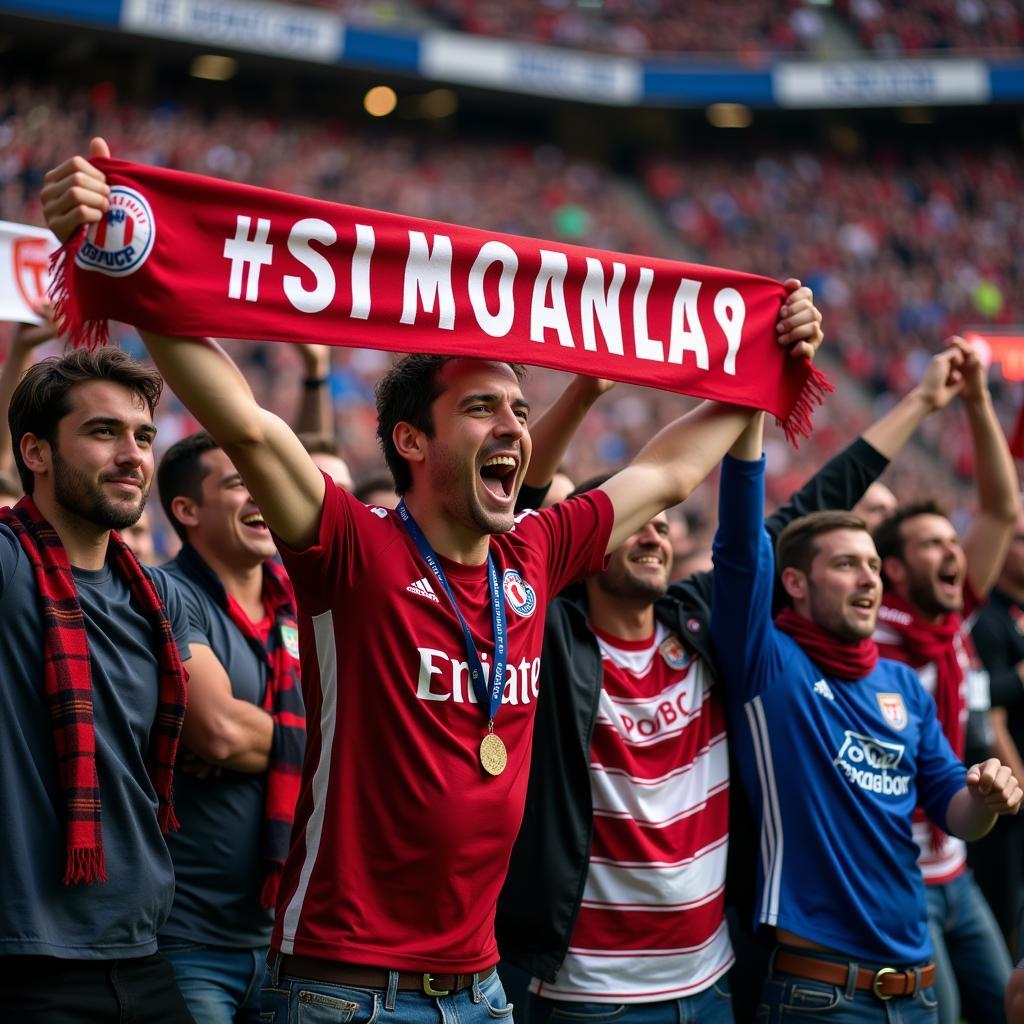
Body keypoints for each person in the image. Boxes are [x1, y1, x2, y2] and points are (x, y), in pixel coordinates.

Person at [42, 137, 822, 1024]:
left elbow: (671, 473)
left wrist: (764, 364)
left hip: (483, 989)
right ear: (411, 441)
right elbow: (249, 427)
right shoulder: (349, 546)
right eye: (482, 408)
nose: (514, 428)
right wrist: (121, 254)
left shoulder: (536, 551)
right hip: (349, 988)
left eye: (521, 410)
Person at [497, 348, 979, 1024]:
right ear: (582, 548)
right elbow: (515, 522)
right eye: (635, 521)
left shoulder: (701, 624)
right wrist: (581, 396)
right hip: (588, 995)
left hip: (711, 986)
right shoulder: (548, 640)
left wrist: (922, 402)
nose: (655, 533)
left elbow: (812, 508)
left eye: (664, 524)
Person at [709, 409, 1021, 1023]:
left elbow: (954, 810)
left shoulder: (903, 683)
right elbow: (742, 549)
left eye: (875, 565)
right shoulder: (770, 663)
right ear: (794, 583)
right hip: (820, 996)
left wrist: (984, 797)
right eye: (846, 564)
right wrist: (749, 414)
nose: (869, 578)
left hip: (918, 989)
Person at [0, 347, 193, 1024]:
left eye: (143, 435)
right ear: (36, 451)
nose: (133, 454)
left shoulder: (161, 600)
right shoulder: (8, 567)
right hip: (28, 963)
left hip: (144, 952)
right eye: (102, 431)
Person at [873, 338, 1020, 1024]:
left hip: (955, 863)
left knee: (1005, 1002)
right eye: (933, 544)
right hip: (899, 875)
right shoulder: (868, 642)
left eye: (951, 543)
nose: (955, 553)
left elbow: (998, 509)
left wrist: (978, 401)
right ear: (894, 572)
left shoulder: (953, 620)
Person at [154, 431, 305, 1023]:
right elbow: (217, 731)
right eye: (240, 483)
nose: (262, 496)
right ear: (187, 510)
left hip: (287, 944)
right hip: (189, 942)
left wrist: (262, 736)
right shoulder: (169, 593)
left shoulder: (298, 606)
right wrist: (317, 740)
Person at [969, 508, 1024, 952]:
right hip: (1008, 796)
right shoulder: (986, 618)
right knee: (1007, 909)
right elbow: (988, 713)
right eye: (1021, 538)